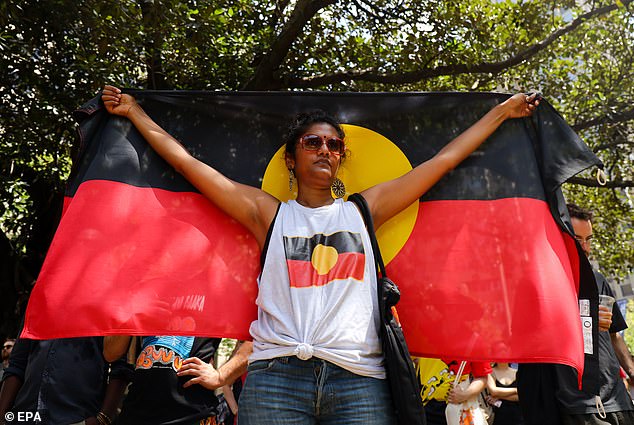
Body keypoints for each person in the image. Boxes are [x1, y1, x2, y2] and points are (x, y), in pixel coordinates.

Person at [101, 85, 538, 424]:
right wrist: (134, 112)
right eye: (312, 142)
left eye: (333, 145)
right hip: (275, 380)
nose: (324, 150)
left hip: (360, 381)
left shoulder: (366, 210)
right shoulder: (266, 213)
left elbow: (442, 161)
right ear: (291, 158)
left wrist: (502, 111)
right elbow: (188, 165)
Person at [552, 203, 634, 425]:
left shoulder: (598, 279)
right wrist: (584, 321)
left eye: (589, 239)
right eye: (579, 239)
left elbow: (615, 335)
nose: (586, 247)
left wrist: (631, 370)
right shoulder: (548, 281)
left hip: (618, 398)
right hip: (580, 402)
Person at [103, 335, 248, 425]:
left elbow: (256, 340)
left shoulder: (217, 290)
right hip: (136, 412)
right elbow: (110, 353)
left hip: (192, 414)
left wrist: (221, 376)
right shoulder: (148, 289)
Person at [0, 337, 132, 425]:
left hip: (77, 418)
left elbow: (120, 366)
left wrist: (103, 418)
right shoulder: (39, 299)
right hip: (25, 415)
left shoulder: (106, 301)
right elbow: (17, 364)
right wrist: (3, 416)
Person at [415, 357, 492, 425]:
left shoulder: (473, 342)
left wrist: (465, 395)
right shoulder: (420, 340)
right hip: (421, 405)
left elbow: (482, 377)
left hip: (456, 408)